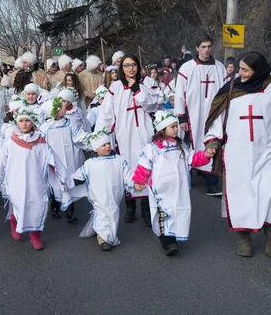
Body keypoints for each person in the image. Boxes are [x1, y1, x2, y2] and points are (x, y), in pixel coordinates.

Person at [204, 51, 271, 257]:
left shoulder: (269, 88)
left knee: (268, 194)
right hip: (237, 154)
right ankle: (244, 238)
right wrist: (213, 141)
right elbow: (218, 118)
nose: (239, 73)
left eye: (245, 70)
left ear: (257, 71)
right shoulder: (231, 88)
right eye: (240, 68)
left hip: (265, 153)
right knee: (240, 195)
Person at [0, 107, 68, 250]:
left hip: (37, 182)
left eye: (27, 121)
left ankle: (35, 237)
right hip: (16, 181)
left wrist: (63, 177)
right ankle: (15, 222)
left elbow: (53, 160)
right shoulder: (10, 142)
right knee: (19, 206)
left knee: (37, 207)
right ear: (17, 123)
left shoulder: (41, 142)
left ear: (32, 123)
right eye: (21, 121)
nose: (24, 124)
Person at [133, 111, 215, 256]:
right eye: (172, 126)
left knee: (177, 212)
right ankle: (168, 242)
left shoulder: (180, 145)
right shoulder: (152, 148)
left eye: (176, 126)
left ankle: (174, 236)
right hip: (161, 189)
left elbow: (192, 159)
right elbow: (144, 165)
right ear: (162, 129)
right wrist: (139, 181)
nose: (176, 129)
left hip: (178, 189)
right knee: (164, 213)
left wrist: (205, 155)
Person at [95, 54, 159, 225]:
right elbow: (106, 114)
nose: (130, 68)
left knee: (147, 167)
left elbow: (152, 104)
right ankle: (130, 206)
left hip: (145, 133)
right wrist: (100, 137)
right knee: (128, 168)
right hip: (125, 135)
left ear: (138, 66)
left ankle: (147, 208)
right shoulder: (115, 87)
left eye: (133, 65)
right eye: (126, 65)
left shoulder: (147, 83)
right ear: (121, 68)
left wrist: (137, 88)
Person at [174, 34, 227, 196]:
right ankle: (188, 178)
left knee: (213, 144)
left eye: (209, 46)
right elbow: (179, 94)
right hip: (193, 113)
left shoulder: (219, 67)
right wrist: (181, 117)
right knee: (190, 145)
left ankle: (212, 183)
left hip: (213, 114)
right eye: (203, 46)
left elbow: (225, 92)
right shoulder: (187, 68)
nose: (206, 50)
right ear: (197, 48)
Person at [71, 130, 133, 251]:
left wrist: (136, 183)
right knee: (102, 213)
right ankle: (104, 238)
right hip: (99, 195)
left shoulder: (118, 160)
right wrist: (67, 183)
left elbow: (128, 173)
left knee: (113, 214)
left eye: (108, 143)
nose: (108, 146)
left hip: (115, 195)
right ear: (96, 149)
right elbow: (78, 176)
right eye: (103, 145)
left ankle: (109, 234)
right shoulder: (90, 164)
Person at [39, 98, 88, 222]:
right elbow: (41, 144)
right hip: (53, 160)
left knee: (68, 182)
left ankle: (70, 211)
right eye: (60, 108)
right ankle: (55, 206)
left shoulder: (69, 123)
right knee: (54, 183)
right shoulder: (45, 127)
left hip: (68, 158)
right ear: (53, 111)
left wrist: (90, 141)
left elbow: (78, 136)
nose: (63, 108)